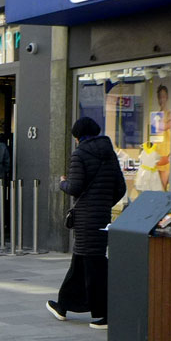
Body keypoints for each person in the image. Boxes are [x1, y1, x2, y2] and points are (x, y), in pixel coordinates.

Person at [47, 117, 126, 327]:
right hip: (101, 217)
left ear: (78, 137)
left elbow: (75, 187)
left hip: (84, 218)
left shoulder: (80, 154)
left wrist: (63, 183)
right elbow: (120, 188)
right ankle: (63, 304)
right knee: (82, 260)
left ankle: (105, 314)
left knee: (94, 264)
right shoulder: (110, 154)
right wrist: (102, 204)